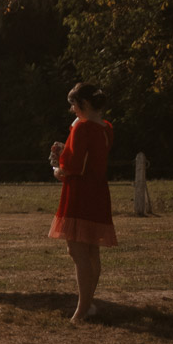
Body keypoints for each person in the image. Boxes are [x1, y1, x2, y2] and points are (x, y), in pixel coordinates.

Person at [50, 81, 116, 324]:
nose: (72, 110)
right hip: (98, 190)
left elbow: (74, 167)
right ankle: (87, 304)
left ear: (84, 104)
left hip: (80, 192)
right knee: (91, 251)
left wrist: (58, 169)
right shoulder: (106, 128)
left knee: (77, 251)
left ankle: (82, 309)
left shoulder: (83, 128)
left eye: (74, 105)